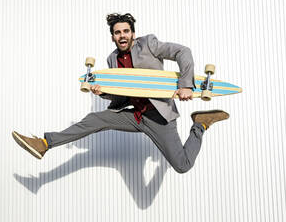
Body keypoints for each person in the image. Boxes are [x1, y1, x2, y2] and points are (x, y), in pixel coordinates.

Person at [12, 13, 229, 174]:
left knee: (182, 166)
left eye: (126, 31)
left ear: (132, 33)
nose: (122, 35)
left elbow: (183, 52)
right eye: (117, 32)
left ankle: (200, 124)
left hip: (159, 117)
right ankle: (45, 143)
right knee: (95, 119)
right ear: (113, 37)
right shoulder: (111, 61)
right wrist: (102, 93)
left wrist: (186, 85)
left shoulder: (149, 44)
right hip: (134, 115)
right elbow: (120, 96)